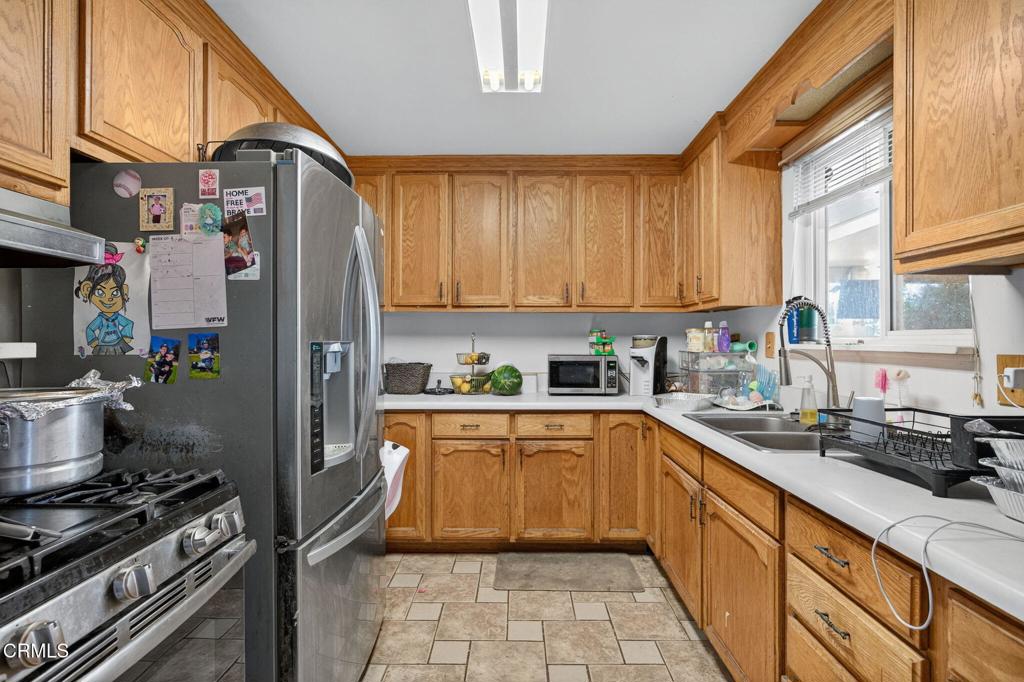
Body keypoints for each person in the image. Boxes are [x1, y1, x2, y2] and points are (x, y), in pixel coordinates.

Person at [75, 243, 134, 355]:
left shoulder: (117, 317)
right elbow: (90, 329)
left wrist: (126, 335)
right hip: (103, 345)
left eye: (115, 292)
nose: (109, 299)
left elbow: (128, 324)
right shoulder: (100, 319)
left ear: (124, 292)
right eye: (100, 292)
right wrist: (93, 341)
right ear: (86, 290)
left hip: (118, 343)